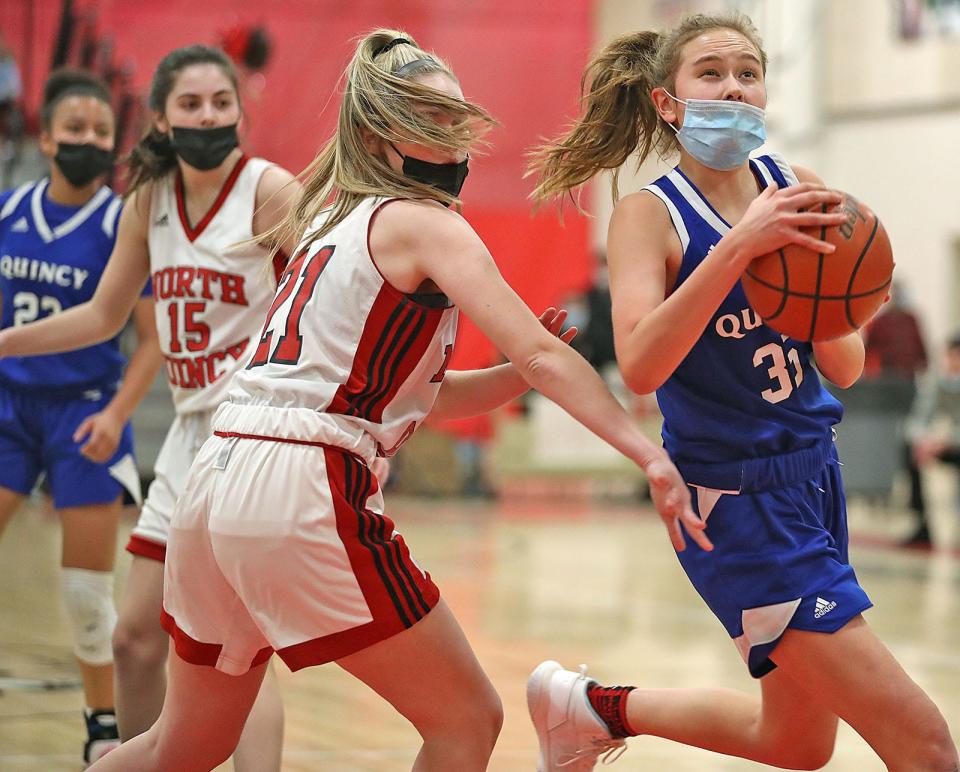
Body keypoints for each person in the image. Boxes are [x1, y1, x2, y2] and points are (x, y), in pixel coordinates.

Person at [50, 29, 710, 771]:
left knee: (185, 745)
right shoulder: (424, 222)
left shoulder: (333, 223)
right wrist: (647, 451)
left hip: (218, 478)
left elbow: (406, 399)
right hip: (298, 486)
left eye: (457, 119)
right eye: (430, 121)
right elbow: (539, 348)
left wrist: (514, 378)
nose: (453, 138)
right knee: (467, 717)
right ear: (379, 136)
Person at [524, 12, 958, 771]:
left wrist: (833, 295)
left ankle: (590, 708)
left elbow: (846, 366)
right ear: (669, 102)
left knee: (794, 743)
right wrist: (740, 249)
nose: (733, 87)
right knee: (925, 745)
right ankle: (584, 707)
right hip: (734, 501)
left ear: (766, 91)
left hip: (814, 478)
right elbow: (641, 367)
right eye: (712, 72)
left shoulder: (800, 188)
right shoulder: (647, 215)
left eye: (748, 73)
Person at [0, 46, 294, 770]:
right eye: (190, 105)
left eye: (221, 103)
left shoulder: (271, 192)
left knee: (239, 647)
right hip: (191, 436)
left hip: (253, 435)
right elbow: (103, 315)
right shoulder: (149, 201)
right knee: (134, 640)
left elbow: (327, 297)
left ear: (239, 112)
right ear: (161, 117)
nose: (208, 116)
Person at [0, 69, 160, 765]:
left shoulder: (121, 224)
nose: (89, 140)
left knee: (87, 594)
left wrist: (120, 411)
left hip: (85, 412)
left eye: (101, 131)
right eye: (76, 129)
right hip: (7, 406)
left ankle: (102, 724)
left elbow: (152, 340)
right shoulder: (9, 213)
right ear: (46, 137)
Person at [907, 333, 960, 526]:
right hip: (944, 445)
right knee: (908, 449)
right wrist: (923, 441)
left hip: (951, 443)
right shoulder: (939, 381)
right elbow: (918, 417)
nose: (954, 362)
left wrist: (946, 442)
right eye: (951, 356)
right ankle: (921, 522)